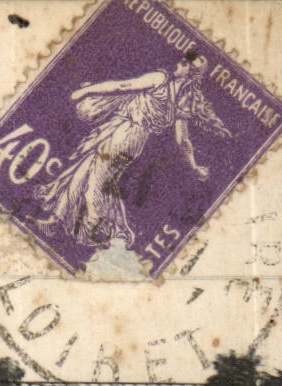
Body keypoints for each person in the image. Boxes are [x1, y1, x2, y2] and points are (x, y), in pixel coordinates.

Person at [31, 53, 231, 250]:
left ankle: (101, 230)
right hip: (129, 136)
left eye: (185, 63)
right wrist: (194, 167)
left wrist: (85, 91)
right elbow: (182, 140)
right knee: (82, 171)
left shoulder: (160, 79)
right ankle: (56, 221)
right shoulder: (182, 99)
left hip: (125, 134)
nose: (179, 63)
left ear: (190, 73)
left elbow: (122, 86)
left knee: (97, 183)